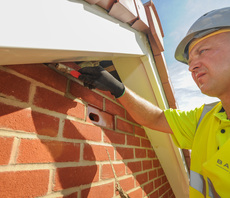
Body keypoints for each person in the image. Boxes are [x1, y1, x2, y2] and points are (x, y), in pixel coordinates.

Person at [78, 7, 230, 198]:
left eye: (203, 50)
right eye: (190, 61)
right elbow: (157, 118)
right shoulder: (205, 118)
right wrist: (118, 89)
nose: (191, 67)